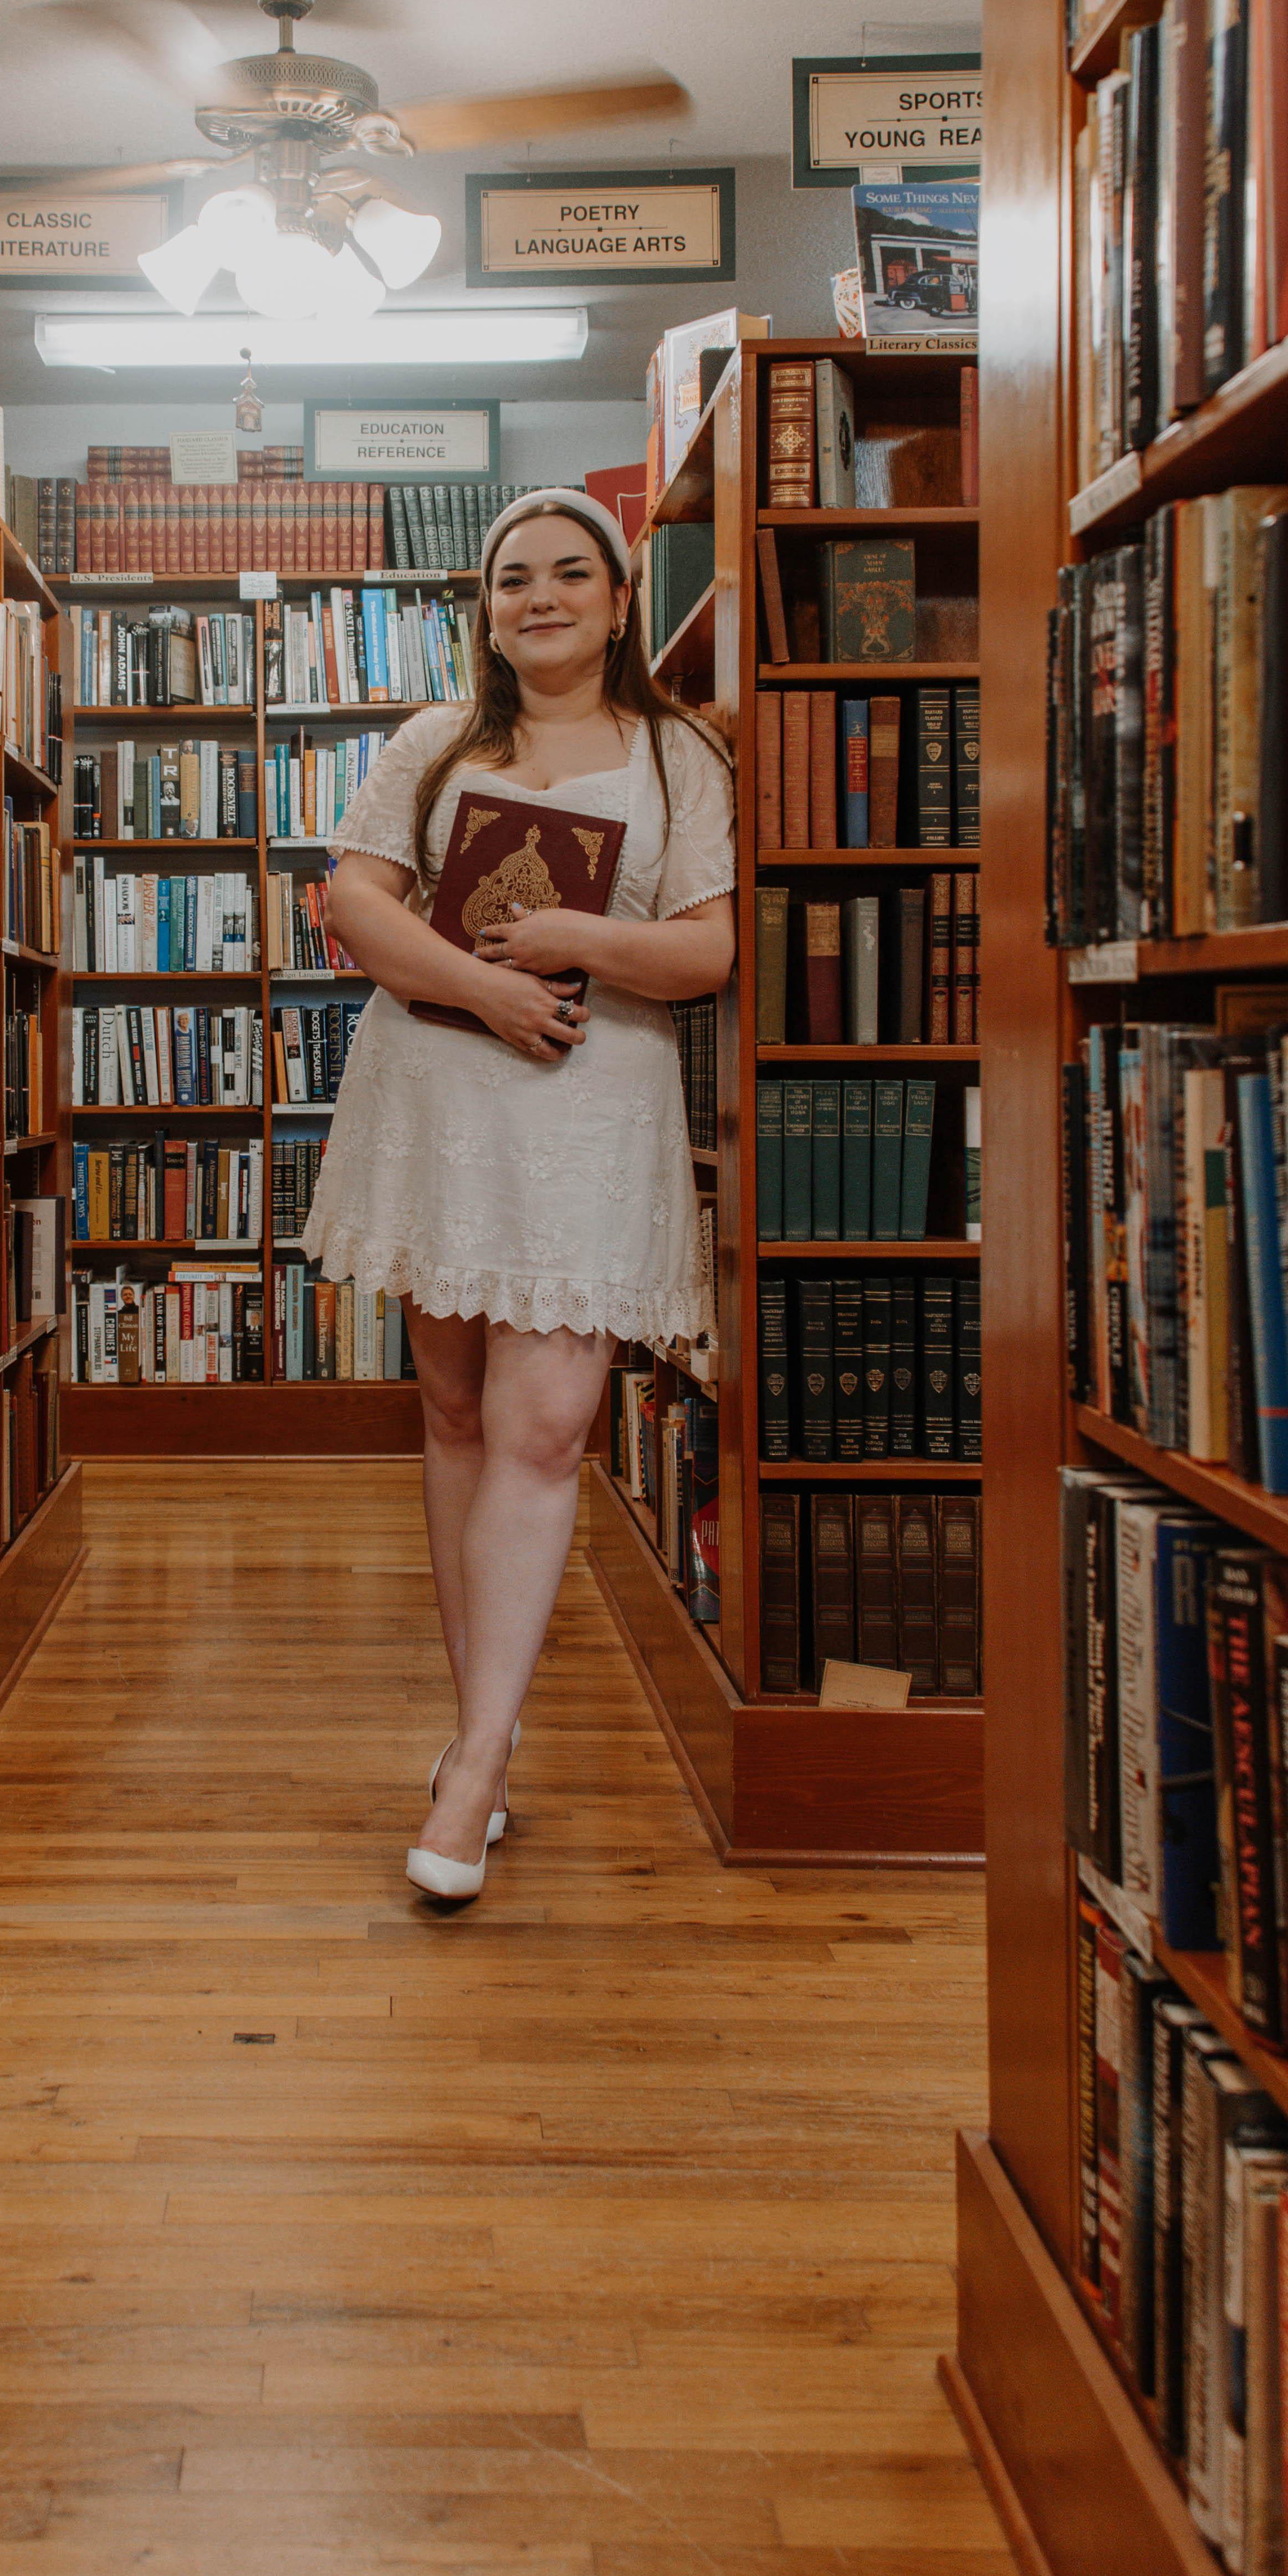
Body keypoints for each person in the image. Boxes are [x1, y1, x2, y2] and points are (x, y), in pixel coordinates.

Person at [302, 489, 737, 1905]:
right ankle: (478, 1729)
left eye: (568, 573)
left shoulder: (679, 753)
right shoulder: (435, 743)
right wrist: (487, 985)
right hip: (441, 1094)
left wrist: (572, 938)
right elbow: (354, 902)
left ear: (618, 601)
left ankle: (478, 1756)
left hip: (592, 1112)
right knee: (450, 1414)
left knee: (543, 1426)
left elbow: (708, 953)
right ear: (484, 614)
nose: (539, 596)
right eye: (511, 579)